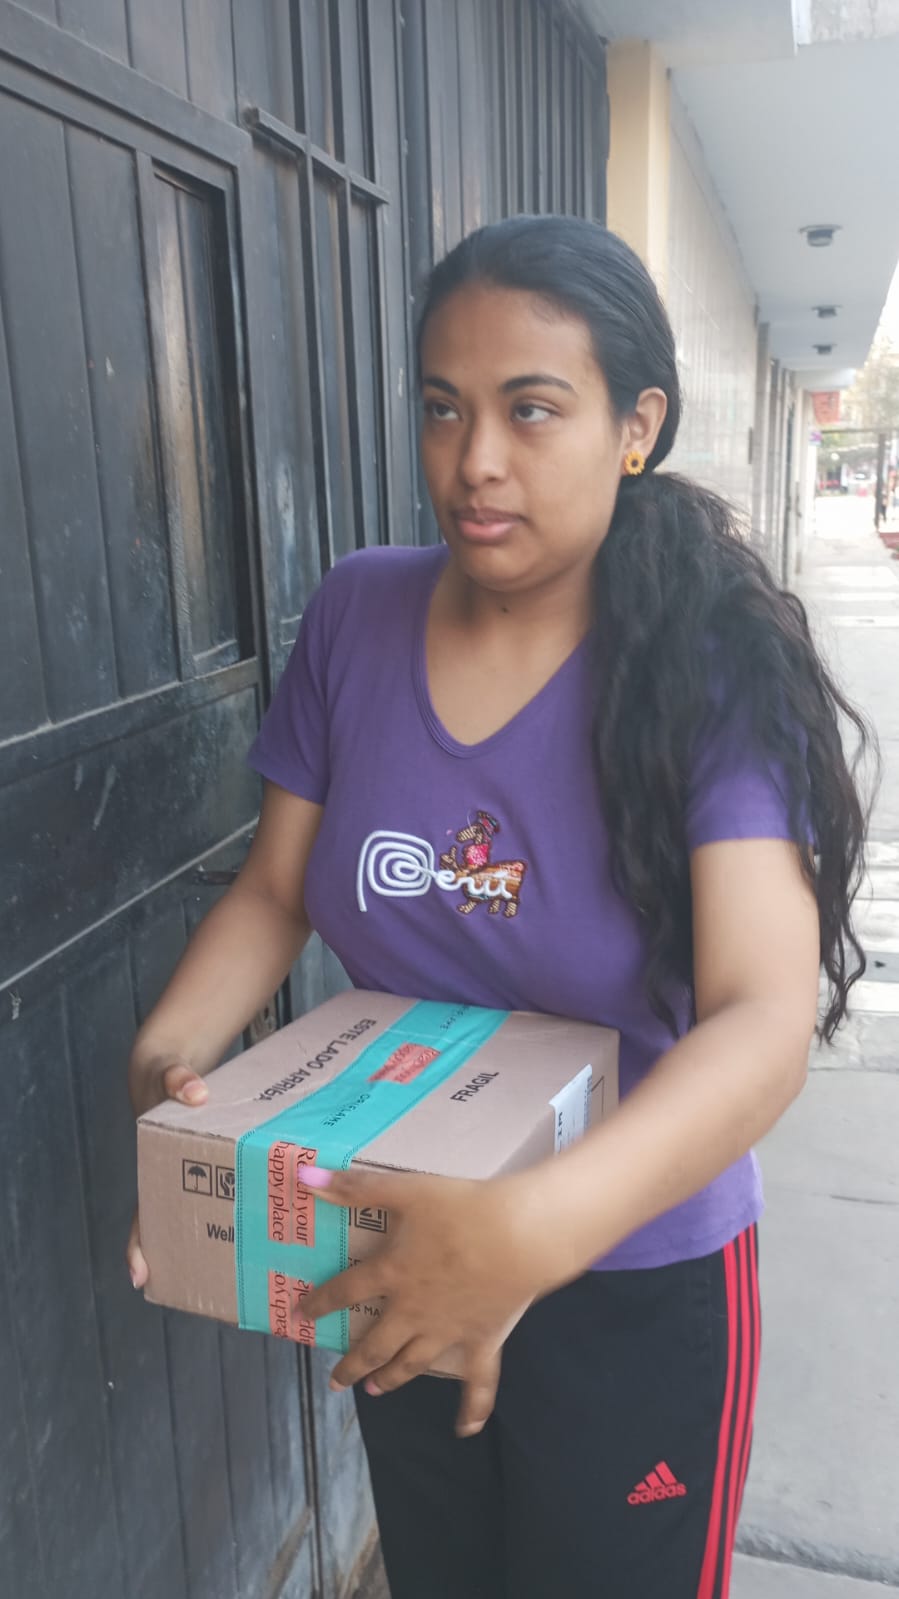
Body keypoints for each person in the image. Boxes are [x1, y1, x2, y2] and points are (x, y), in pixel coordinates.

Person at [127, 216, 872, 1599]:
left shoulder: (706, 662)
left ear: (636, 425)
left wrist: (530, 1233)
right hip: (397, 1250)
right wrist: (174, 1063)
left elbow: (762, 1019)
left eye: (532, 410)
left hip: (634, 1275)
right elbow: (278, 888)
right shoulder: (356, 617)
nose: (474, 460)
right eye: (443, 408)